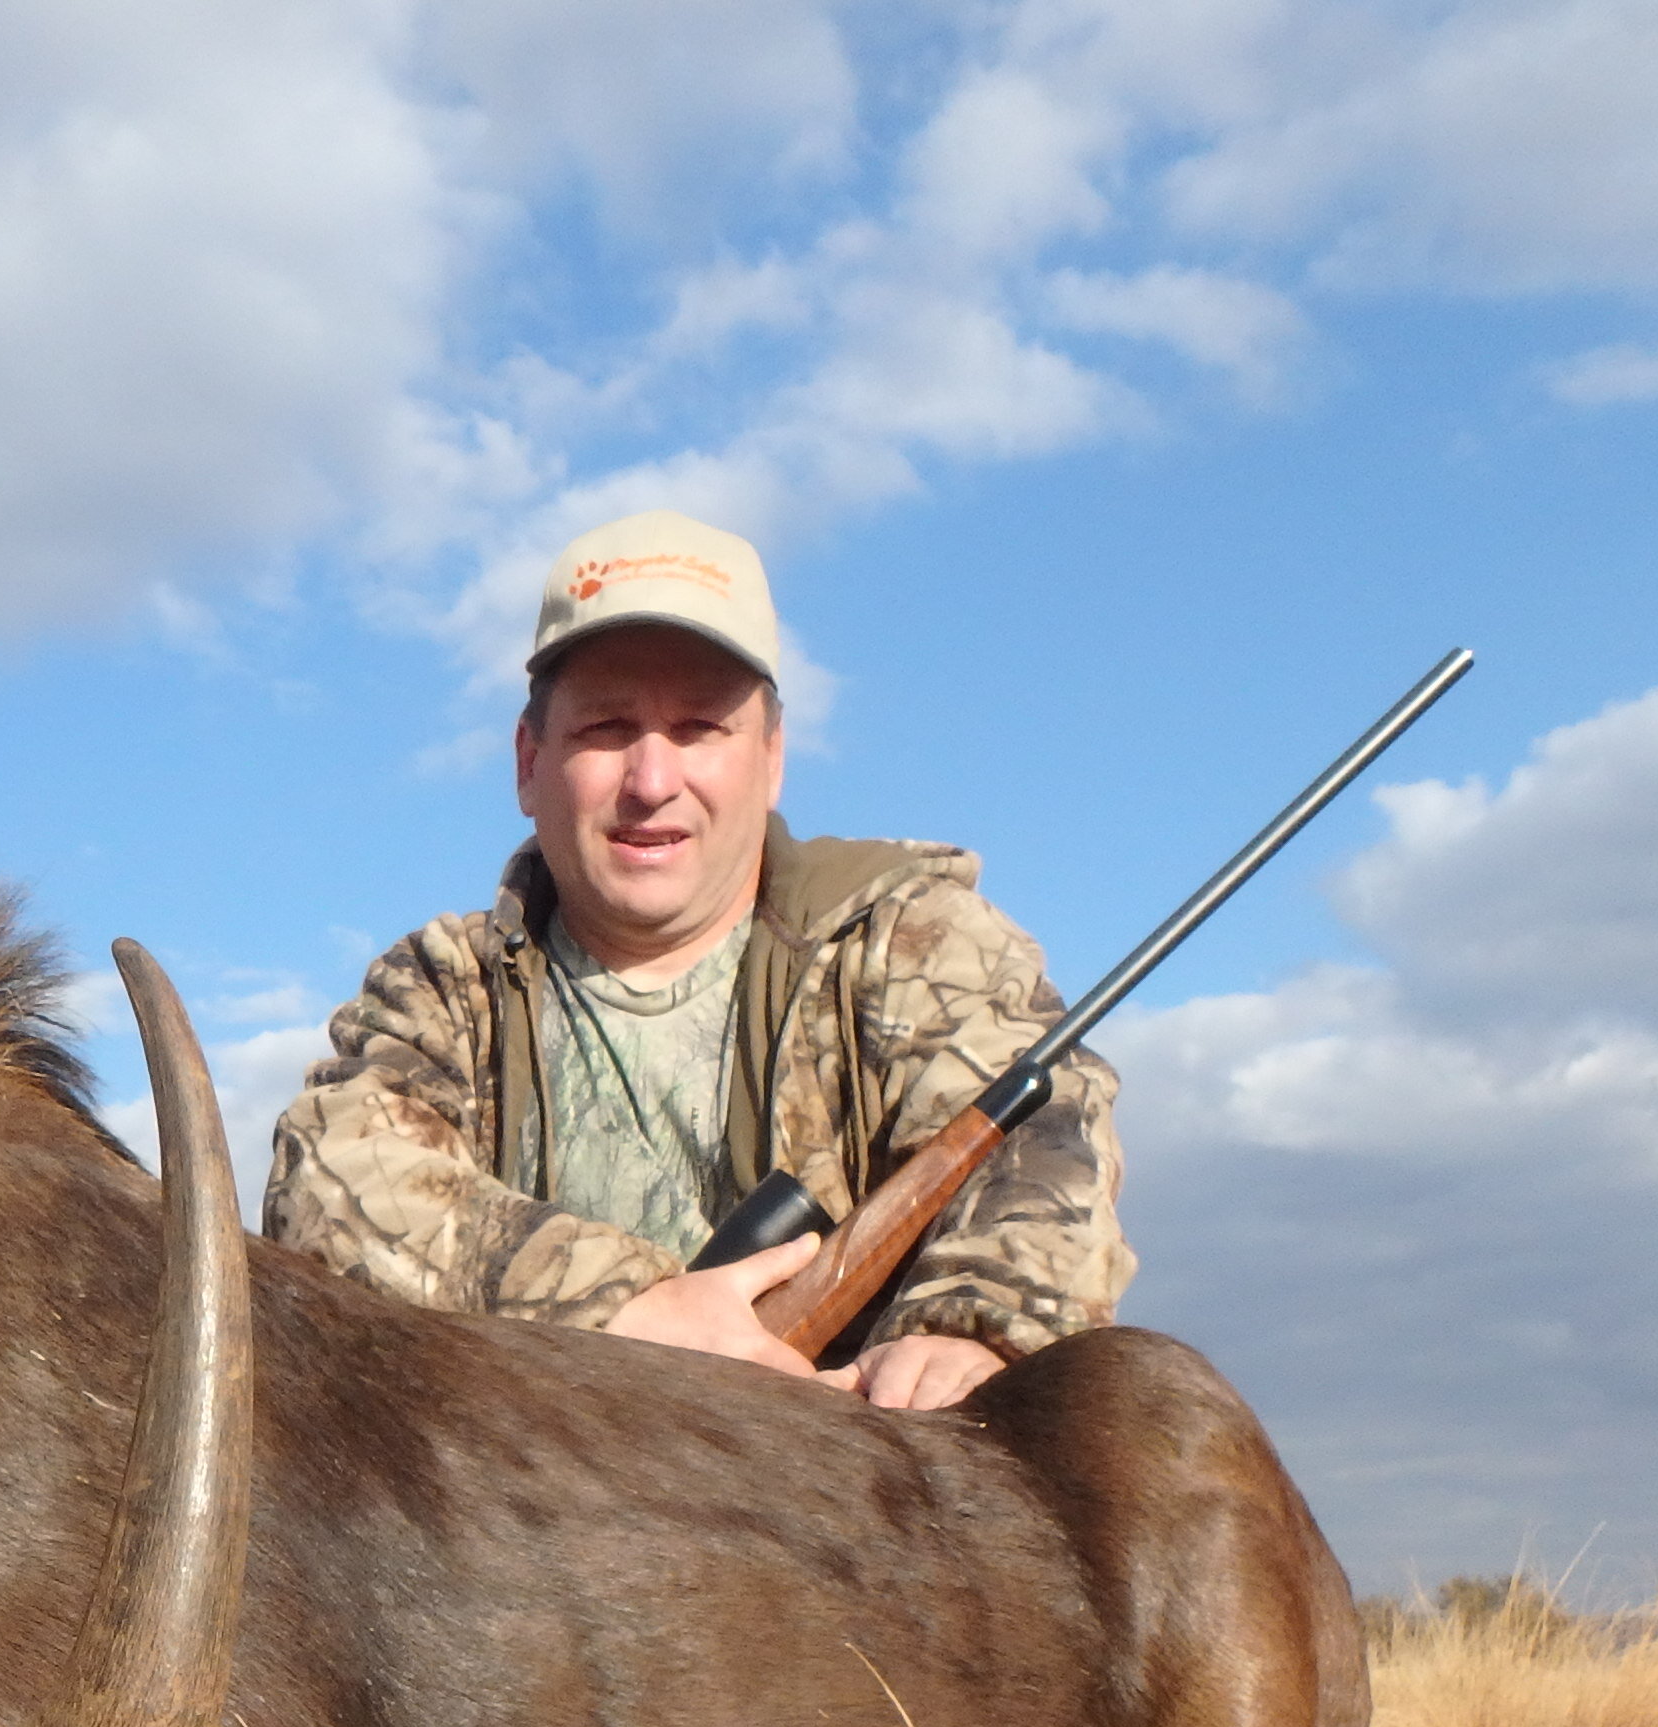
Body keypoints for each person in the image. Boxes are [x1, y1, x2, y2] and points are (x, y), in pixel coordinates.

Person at [265, 510, 1131, 1409]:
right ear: (529, 764)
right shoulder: (445, 988)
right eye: (605, 727)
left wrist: (970, 1328)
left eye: (698, 728)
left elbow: (1047, 1143)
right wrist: (633, 1308)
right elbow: (328, 1177)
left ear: (771, 759)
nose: (650, 781)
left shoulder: (907, 940)